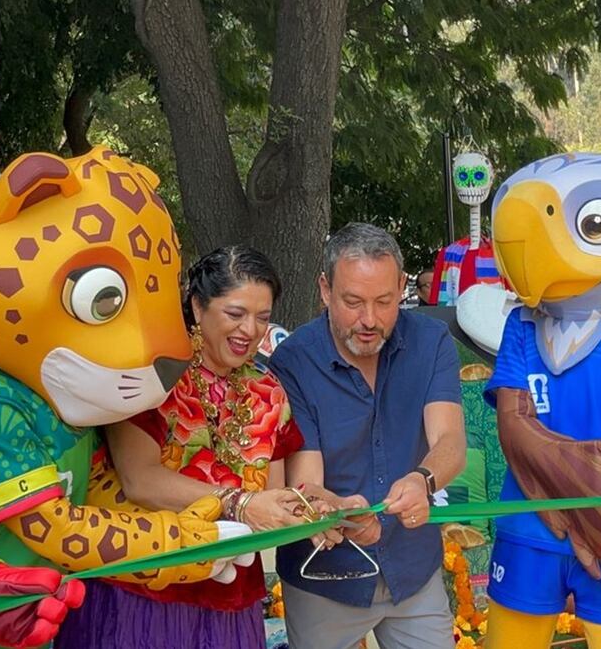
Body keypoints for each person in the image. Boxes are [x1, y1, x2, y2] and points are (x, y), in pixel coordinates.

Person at [55, 245, 373, 649]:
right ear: (197, 306)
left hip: (230, 596)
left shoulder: (268, 391)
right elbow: (140, 479)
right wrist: (239, 503)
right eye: (235, 314)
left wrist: (324, 510)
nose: (250, 330)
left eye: (262, 318)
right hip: (142, 586)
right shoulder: (154, 378)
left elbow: (273, 496)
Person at [271, 223, 467, 649]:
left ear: (401, 286)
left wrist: (423, 480)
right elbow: (306, 482)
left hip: (413, 568)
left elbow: (450, 442)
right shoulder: (293, 361)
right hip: (325, 576)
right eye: (353, 302)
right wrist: (339, 510)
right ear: (325, 290)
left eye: (385, 301)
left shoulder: (430, 340)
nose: (370, 320)